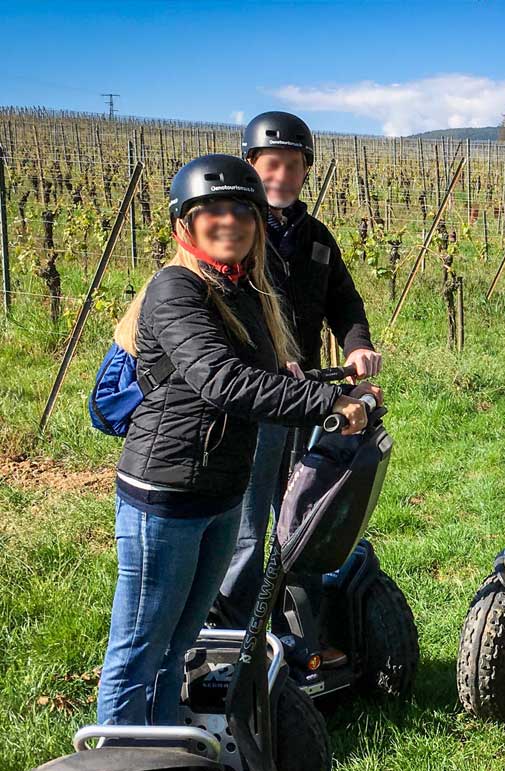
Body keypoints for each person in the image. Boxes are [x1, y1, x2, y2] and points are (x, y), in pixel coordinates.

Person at [97, 154, 379, 726]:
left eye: (241, 212)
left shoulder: (245, 289)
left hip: (219, 489)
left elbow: (256, 370)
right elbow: (220, 380)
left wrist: (300, 379)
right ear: (185, 224)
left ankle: (163, 747)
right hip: (166, 491)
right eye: (213, 212)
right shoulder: (176, 289)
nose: (230, 223)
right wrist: (327, 403)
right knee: (140, 644)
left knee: (179, 641)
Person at [211, 111, 382, 644]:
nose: (281, 176)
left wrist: (358, 346)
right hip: (255, 397)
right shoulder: (236, 231)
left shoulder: (315, 237)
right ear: (251, 166)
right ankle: (234, 632)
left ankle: (295, 618)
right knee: (249, 523)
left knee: (303, 509)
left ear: (305, 170)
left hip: (306, 397)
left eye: (292, 165)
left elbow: (343, 300)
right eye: (271, 165)